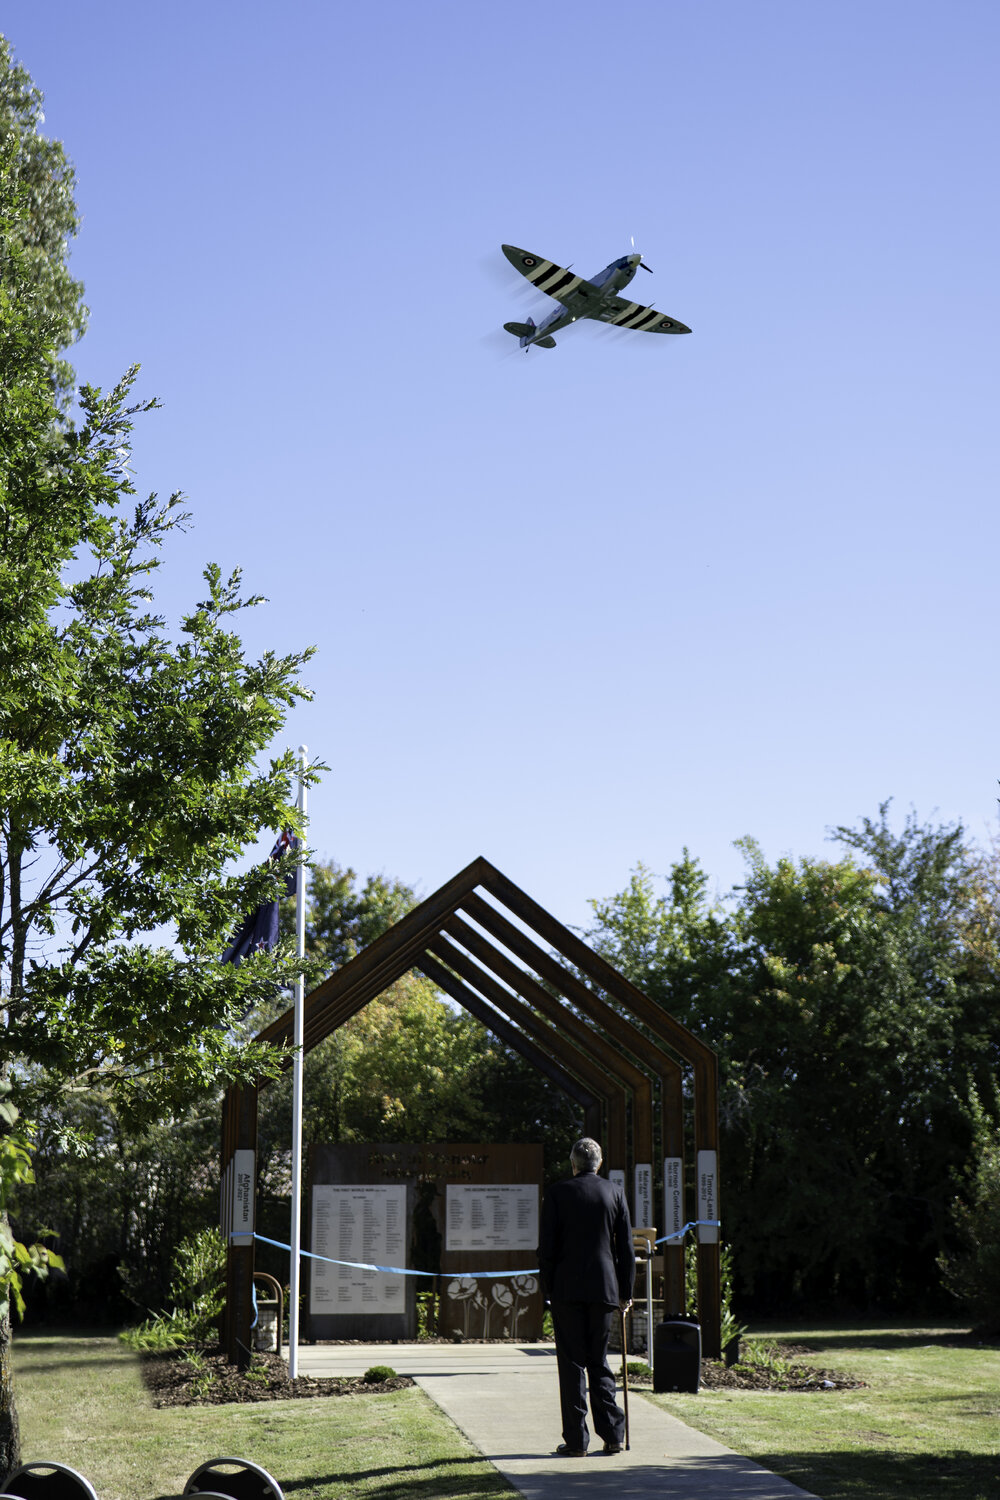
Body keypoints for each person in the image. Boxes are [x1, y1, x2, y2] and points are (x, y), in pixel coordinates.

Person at [537, 1137, 634, 1457]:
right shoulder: (615, 1192)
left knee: (572, 1364)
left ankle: (577, 1441)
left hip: (567, 1289)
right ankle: (613, 1434)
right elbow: (625, 1250)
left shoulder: (557, 1193)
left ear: (573, 1164)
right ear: (600, 1163)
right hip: (604, 1288)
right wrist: (626, 1292)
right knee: (599, 1361)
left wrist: (547, 1289)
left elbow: (546, 1249)